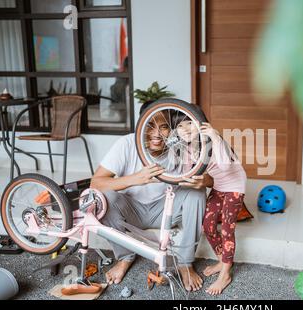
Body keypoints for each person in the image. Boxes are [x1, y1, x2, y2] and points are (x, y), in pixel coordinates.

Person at [90, 105, 213, 292]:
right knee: (103, 198)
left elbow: (214, 180)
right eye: (149, 125)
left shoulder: (181, 145)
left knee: (197, 192)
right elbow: (95, 183)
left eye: (163, 126)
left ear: (171, 129)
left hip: (166, 210)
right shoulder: (127, 144)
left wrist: (204, 180)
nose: (156, 134)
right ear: (140, 125)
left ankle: (185, 263)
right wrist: (134, 179)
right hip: (131, 209)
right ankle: (125, 257)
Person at [175, 117, 247, 296]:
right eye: (180, 126)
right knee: (207, 226)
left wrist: (215, 137)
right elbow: (187, 171)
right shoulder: (187, 147)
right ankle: (222, 260)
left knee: (227, 231)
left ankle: (225, 275)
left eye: (189, 123)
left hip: (234, 186)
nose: (185, 128)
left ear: (200, 123)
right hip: (219, 186)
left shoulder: (213, 140)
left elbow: (224, 167)